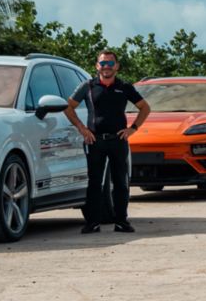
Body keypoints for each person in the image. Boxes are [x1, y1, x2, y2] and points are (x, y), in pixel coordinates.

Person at [63, 50, 151, 234]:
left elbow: (145, 108)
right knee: (94, 182)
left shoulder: (124, 87)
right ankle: (92, 223)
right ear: (97, 66)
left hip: (118, 140)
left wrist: (133, 129)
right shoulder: (87, 86)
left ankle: (121, 222)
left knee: (120, 182)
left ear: (116, 67)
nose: (106, 67)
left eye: (110, 63)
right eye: (103, 64)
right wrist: (82, 128)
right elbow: (69, 107)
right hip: (95, 141)